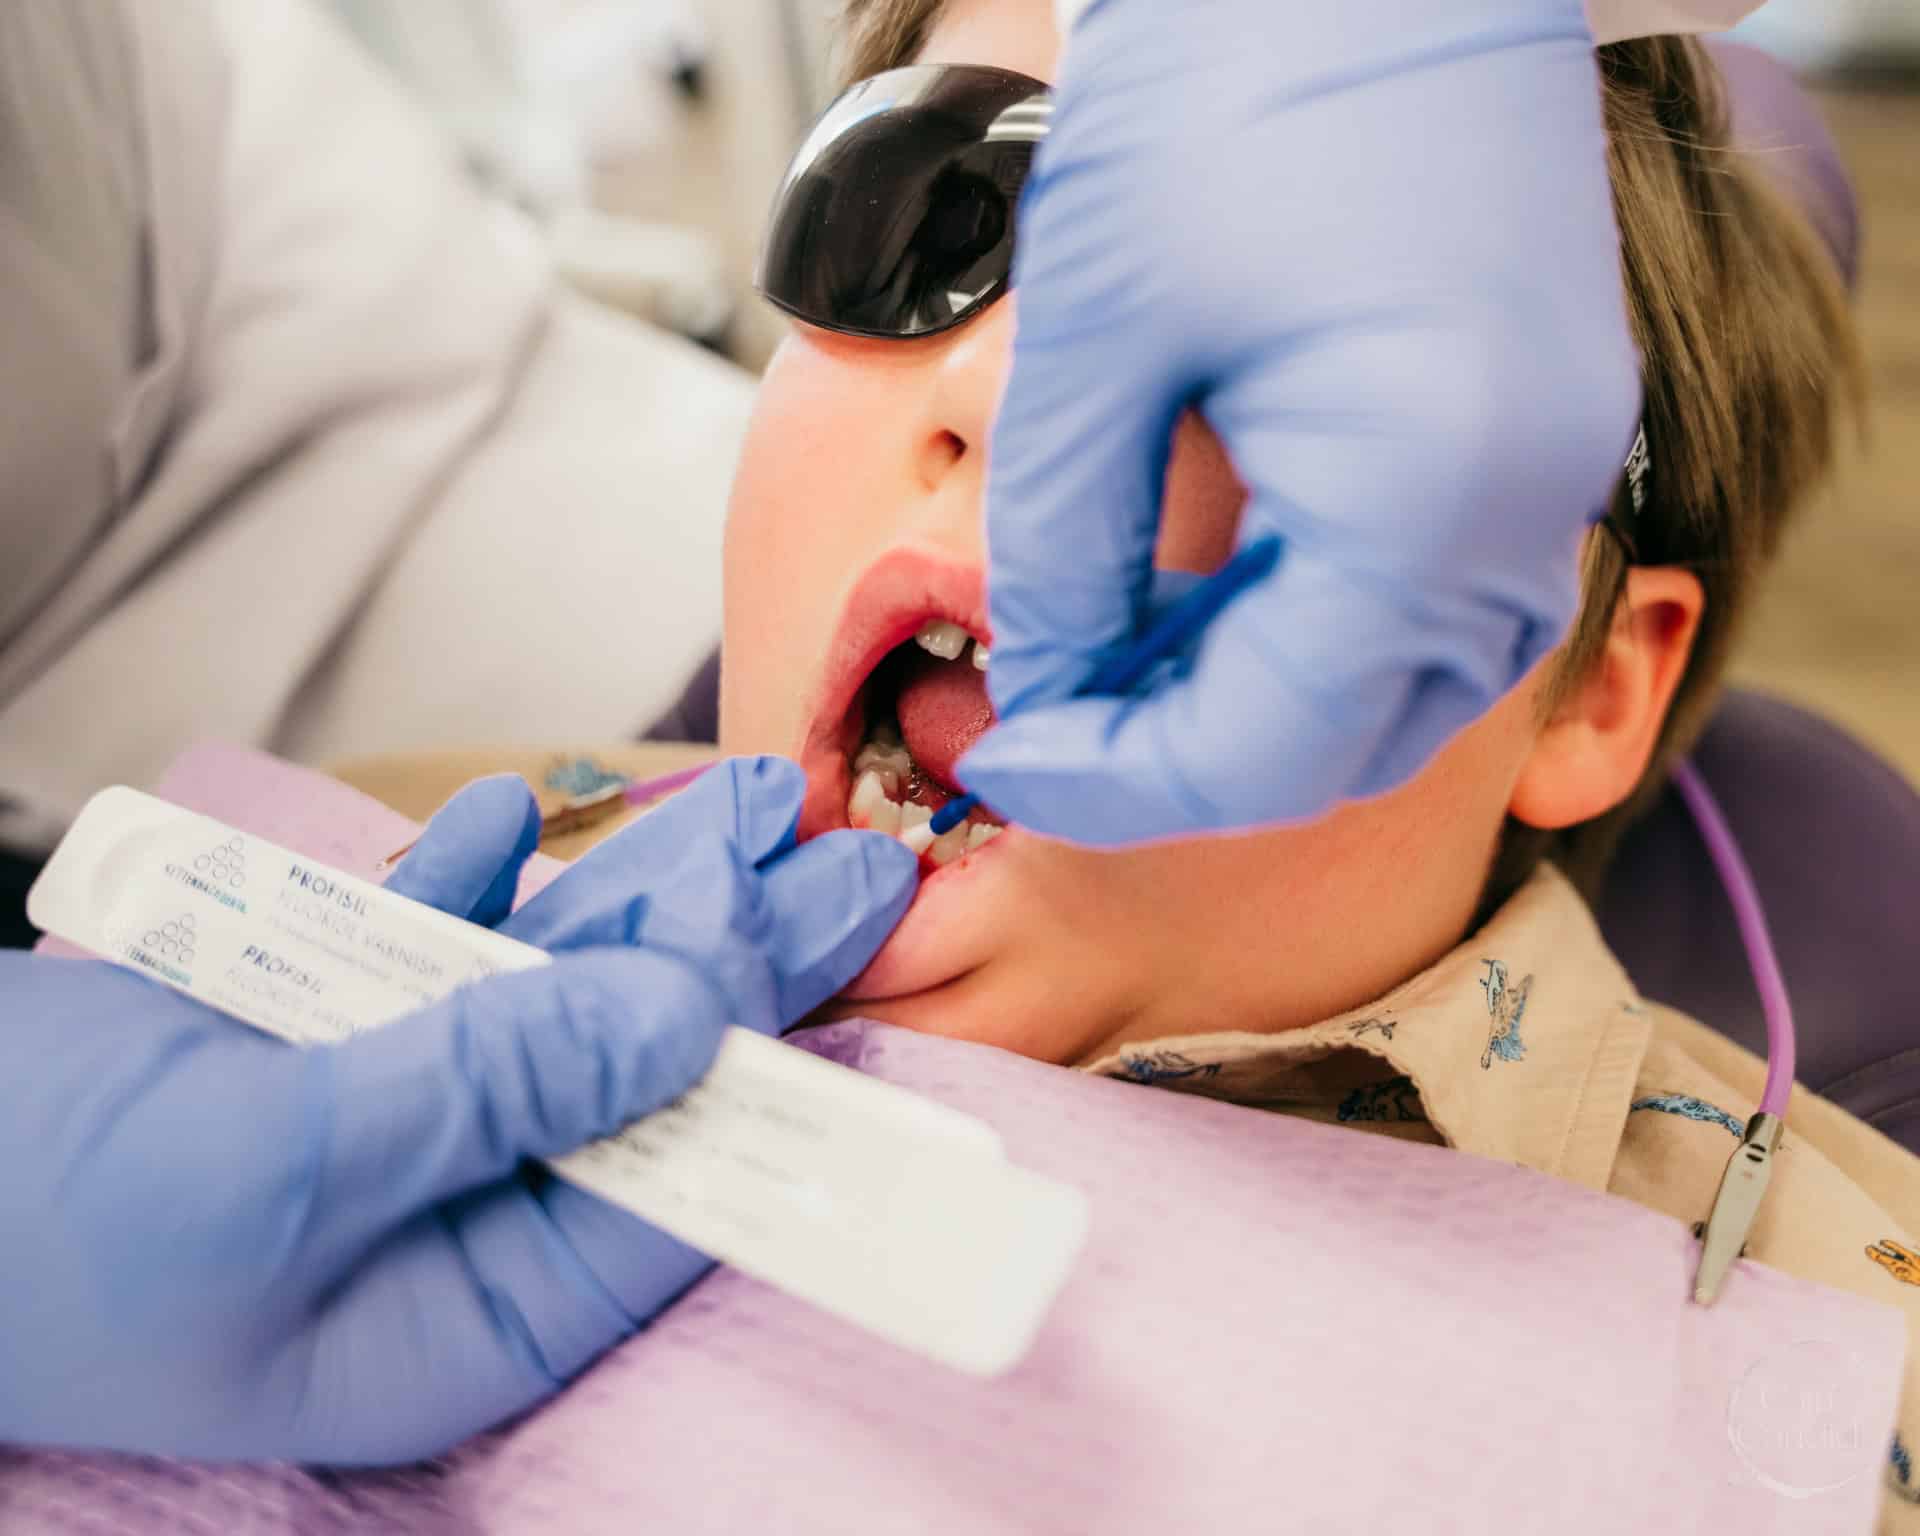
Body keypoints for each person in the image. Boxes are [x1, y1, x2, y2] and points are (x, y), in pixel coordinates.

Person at [716, 2, 1920, 1520]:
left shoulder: (1841, 1393)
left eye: (1287, 342)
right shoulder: (396, 851)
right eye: (925, 202)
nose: (1004, 396)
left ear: (1587, 692)